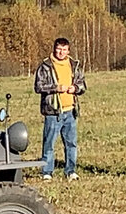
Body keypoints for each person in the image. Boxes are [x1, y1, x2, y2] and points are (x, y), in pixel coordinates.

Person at [33, 37, 87, 180]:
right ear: (54, 49)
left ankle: (70, 171)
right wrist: (56, 88)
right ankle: (47, 172)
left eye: (64, 49)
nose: (61, 52)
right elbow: (38, 86)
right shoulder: (45, 66)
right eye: (59, 49)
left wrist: (75, 88)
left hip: (70, 111)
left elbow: (83, 85)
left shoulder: (74, 65)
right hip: (52, 111)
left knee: (71, 144)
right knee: (49, 143)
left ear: (68, 50)